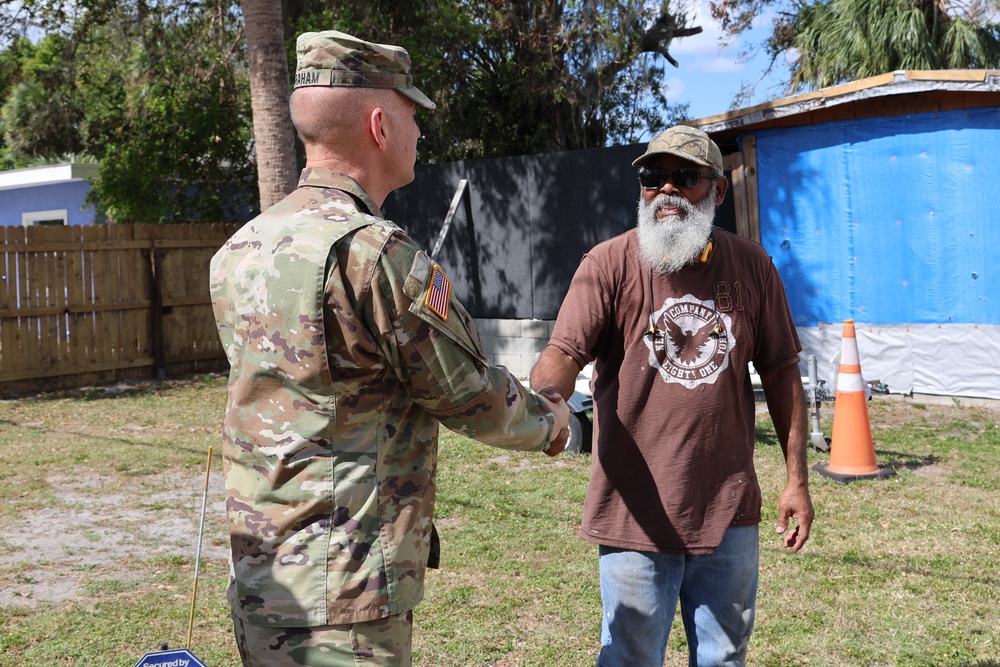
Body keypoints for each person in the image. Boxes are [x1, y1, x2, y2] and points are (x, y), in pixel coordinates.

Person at [210, 30, 569, 667]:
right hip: (343, 596)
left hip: (263, 578)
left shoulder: (240, 249)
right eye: (411, 115)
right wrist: (555, 424)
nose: (419, 133)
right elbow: (472, 399)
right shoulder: (374, 255)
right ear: (379, 124)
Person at [530, 125, 814, 667]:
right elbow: (564, 352)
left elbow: (781, 372)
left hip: (728, 511)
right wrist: (547, 403)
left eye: (684, 178)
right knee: (631, 658)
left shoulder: (752, 267)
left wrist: (796, 480)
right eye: (652, 178)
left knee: (724, 657)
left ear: (718, 191)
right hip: (633, 512)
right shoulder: (608, 264)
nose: (666, 192)